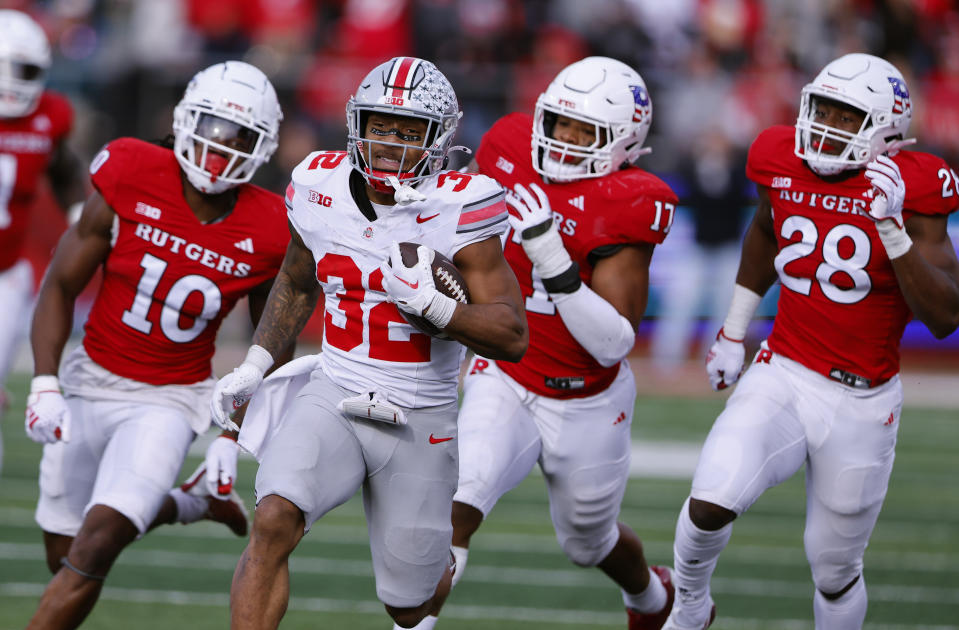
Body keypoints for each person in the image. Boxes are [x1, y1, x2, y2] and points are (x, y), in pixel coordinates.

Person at [209, 56, 528, 630]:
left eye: (410, 132)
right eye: (381, 125)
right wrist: (255, 365)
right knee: (274, 517)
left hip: (418, 410)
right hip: (336, 386)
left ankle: (439, 570)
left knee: (408, 605)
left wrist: (436, 307)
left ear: (439, 138)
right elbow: (296, 279)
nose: (391, 143)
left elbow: (511, 333)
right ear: (359, 122)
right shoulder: (315, 184)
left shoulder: (461, 205)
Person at [663, 53, 959, 630]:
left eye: (845, 116)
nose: (824, 125)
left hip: (864, 399)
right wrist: (732, 330)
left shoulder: (916, 186)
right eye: (821, 108)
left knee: (835, 569)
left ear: (886, 131)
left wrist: (893, 229)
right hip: (784, 371)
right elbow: (766, 232)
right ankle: (689, 608)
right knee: (709, 500)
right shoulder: (779, 156)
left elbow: (945, 315)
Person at [407, 56, 680, 630]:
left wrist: (554, 261)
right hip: (505, 373)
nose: (567, 141)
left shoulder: (629, 199)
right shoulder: (508, 144)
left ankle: (653, 599)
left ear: (625, 143)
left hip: (587, 398)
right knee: (457, 506)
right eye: (559, 123)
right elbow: (460, 224)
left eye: (588, 133)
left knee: (588, 541)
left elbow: (613, 343)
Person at [23, 60, 290, 630]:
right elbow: (60, 283)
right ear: (182, 120)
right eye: (212, 127)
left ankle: (174, 497)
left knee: (94, 547)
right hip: (88, 379)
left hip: (169, 400)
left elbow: (272, 345)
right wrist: (45, 381)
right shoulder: (132, 168)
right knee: (64, 555)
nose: (220, 149)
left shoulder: (271, 227)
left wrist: (232, 435)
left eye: (239, 137)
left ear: (262, 147)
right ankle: (187, 503)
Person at [0, 9, 86, 475]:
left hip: (5, 272)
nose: (19, 83)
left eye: (28, 72)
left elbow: (66, 170)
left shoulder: (47, 118)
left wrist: (79, 218)